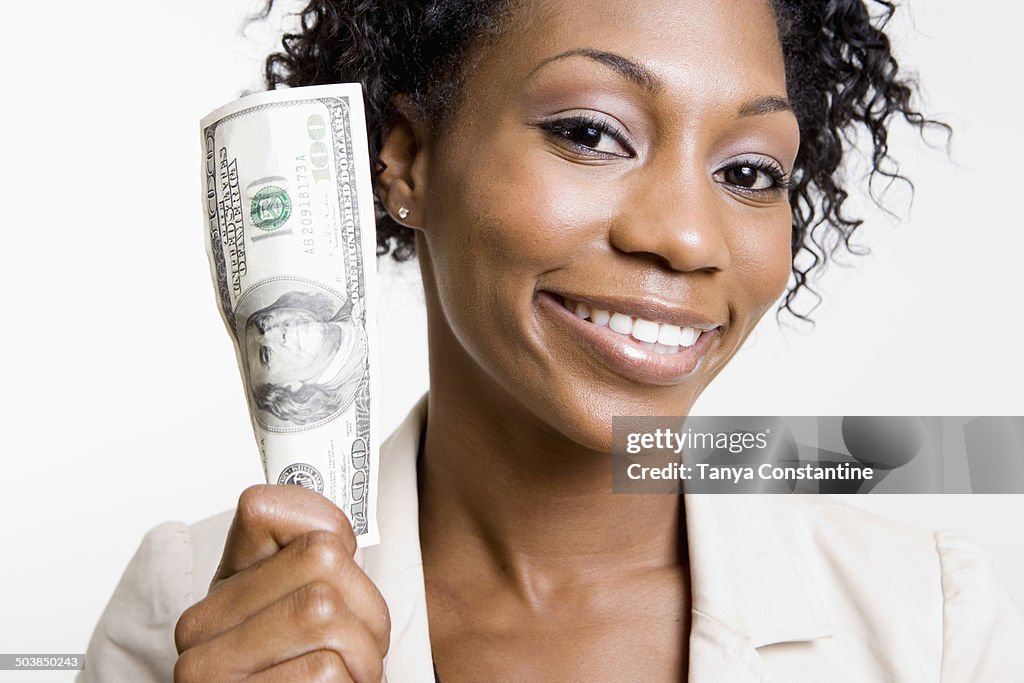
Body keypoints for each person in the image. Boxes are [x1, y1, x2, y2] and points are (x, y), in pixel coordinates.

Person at [80, 0, 1024, 681]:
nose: (689, 236)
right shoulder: (189, 608)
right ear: (404, 156)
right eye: (590, 132)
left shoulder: (929, 619)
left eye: (747, 171)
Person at [243, 289, 366, 428]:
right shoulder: (357, 384)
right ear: (290, 387)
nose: (276, 331)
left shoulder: (352, 298)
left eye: (264, 324)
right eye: (267, 355)